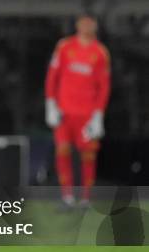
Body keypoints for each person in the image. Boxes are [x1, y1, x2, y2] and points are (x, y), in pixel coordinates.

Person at [44, 14, 111, 209]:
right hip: (64, 112)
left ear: (95, 25)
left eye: (90, 22)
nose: (86, 25)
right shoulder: (64, 47)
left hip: (87, 115)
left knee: (88, 155)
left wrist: (98, 115)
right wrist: (50, 103)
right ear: (77, 24)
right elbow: (52, 76)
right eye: (83, 22)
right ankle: (67, 197)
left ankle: (86, 198)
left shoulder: (100, 53)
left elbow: (104, 86)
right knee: (63, 151)